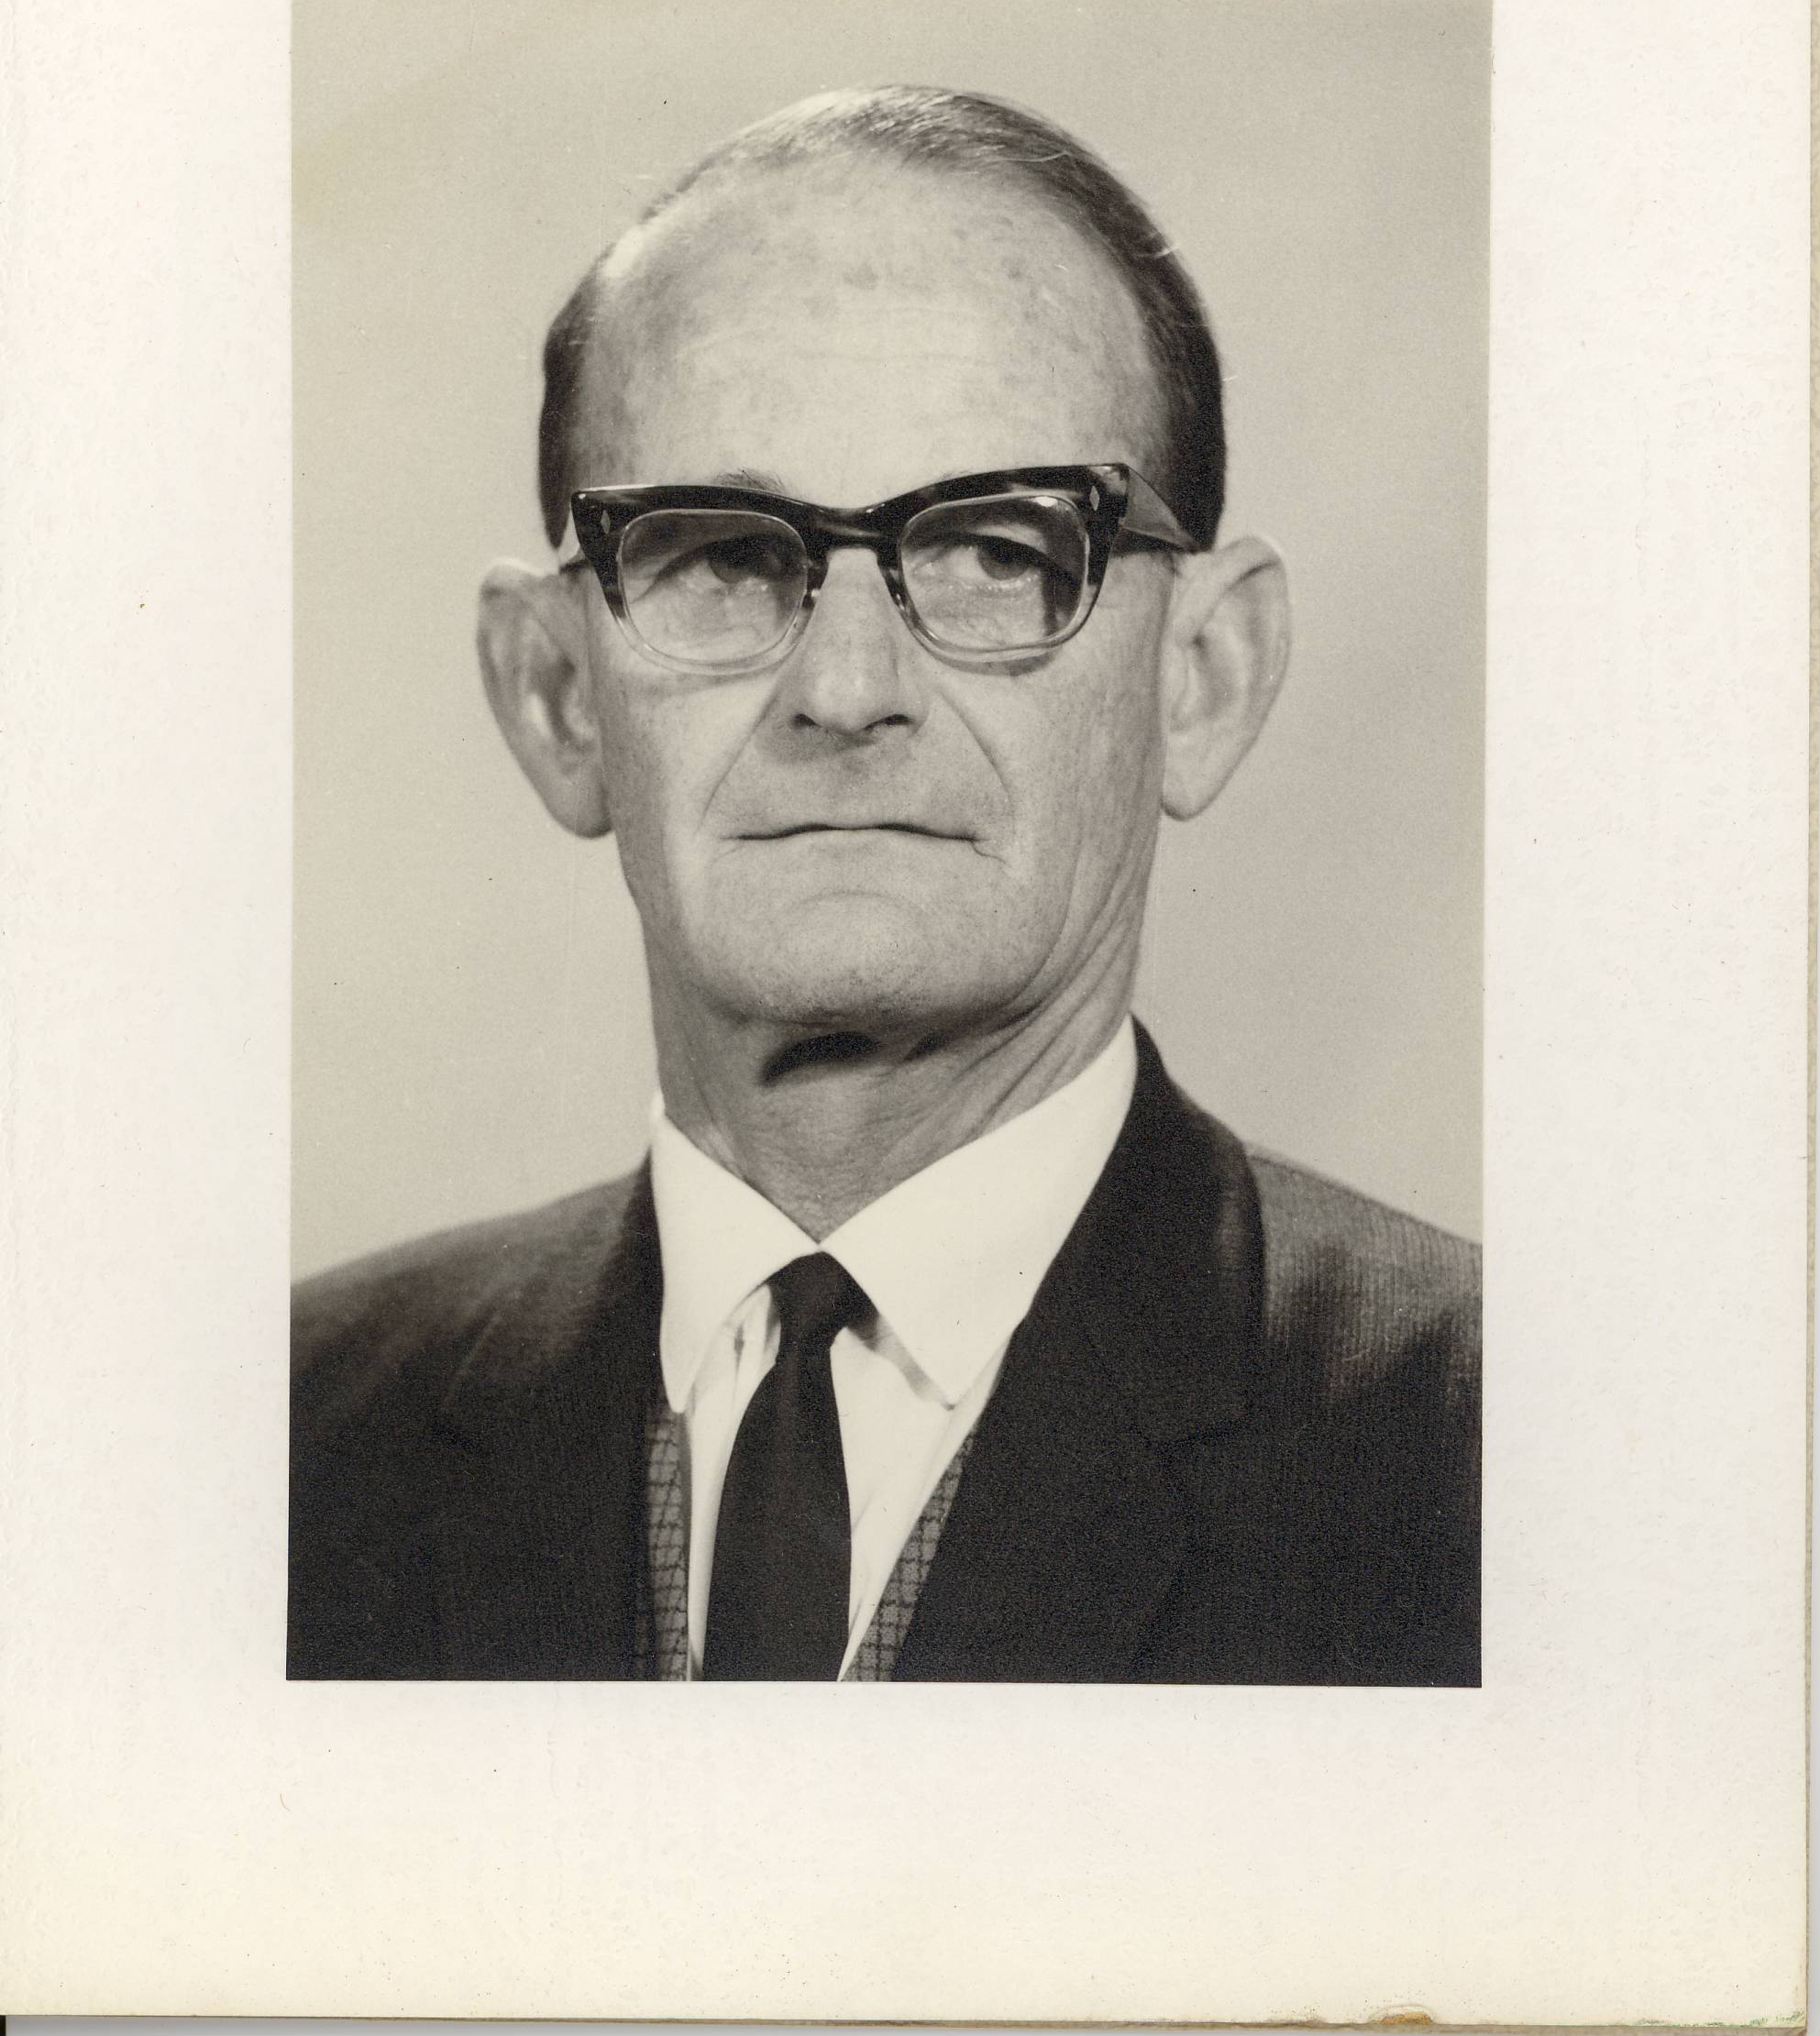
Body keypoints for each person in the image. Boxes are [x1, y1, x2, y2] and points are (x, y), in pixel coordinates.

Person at [289, 84, 1480, 1685]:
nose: (847, 691)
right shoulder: (285, 1447)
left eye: (998, 550)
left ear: (1201, 676)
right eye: (721, 554)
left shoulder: (1501, 1455)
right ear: (557, 695)